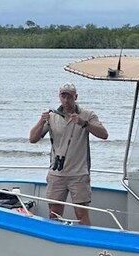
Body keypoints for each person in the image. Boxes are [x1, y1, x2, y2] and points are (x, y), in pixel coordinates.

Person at [29, 82, 108, 225]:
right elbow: (32, 139)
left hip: (79, 173)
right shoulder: (52, 116)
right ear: (59, 97)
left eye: (69, 97)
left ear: (75, 97)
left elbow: (104, 135)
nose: (66, 100)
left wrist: (84, 123)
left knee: (81, 212)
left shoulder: (87, 114)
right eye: (63, 96)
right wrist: (41, 120)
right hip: (57, 173)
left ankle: (85, 241)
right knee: (54, 212)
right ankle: (56, 241)